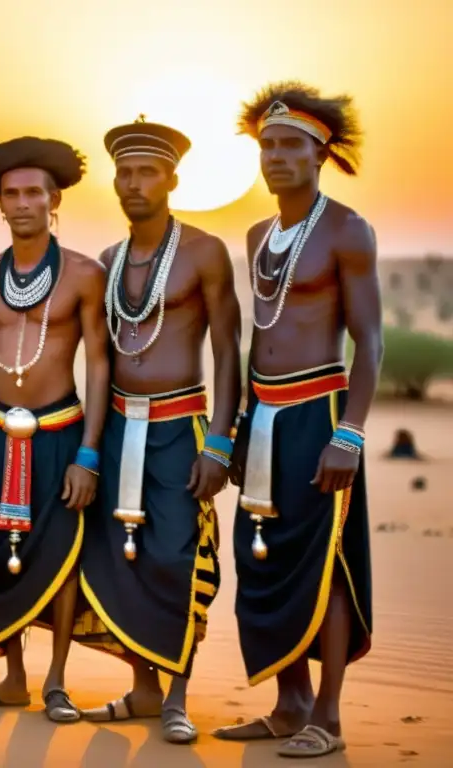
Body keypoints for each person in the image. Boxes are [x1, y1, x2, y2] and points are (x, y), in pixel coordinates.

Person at [211, 82, 378, 759]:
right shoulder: (257, 234)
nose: (276, 156)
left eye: (291, 145)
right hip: (264, 415)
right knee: (266, 559)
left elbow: (370, 340)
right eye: (267, 145)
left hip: (319, 412)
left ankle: (329, 719)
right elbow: (259, 334)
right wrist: (238, 431)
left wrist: (350, 432)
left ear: (321, 152)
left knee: (325, 562)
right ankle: (289, 704)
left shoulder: (347, 229)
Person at [72, 117, 242, 743]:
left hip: (180, 428)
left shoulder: (203, 252)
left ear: (172, 179)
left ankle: (175, 695)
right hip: (118, 428)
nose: (134, 183)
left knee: (177, 557)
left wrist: (221, 443)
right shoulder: (110, 261)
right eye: (125, 172)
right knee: (121, 559)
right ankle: (142, 691)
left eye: (148, 172)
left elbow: (229, 350)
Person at [0, 137, 108, 723]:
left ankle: (57, 682)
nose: (22, 202)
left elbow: (99, 365)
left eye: (33, 192)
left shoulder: (85, 275)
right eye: (11, 193)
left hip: (61, 432)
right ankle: (14, 677)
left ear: (54, 199)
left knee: (61, 556)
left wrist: (88, 454)